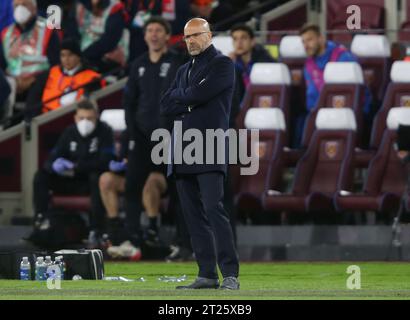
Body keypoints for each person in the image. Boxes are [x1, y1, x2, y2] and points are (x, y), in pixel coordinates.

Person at [161, 18, 239, 290]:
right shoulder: (183, 69)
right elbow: (165, 105)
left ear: (209, 35)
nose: (190, 41)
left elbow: (199, 93)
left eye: (195, 35)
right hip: (182, 148)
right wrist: (190, 100)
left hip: (209, 146)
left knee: (213, 208)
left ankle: (230, 274)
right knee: (192, 215)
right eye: (186, 37)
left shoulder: (223, 64)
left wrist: (186, 99)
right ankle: (206, 274)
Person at [105, 16, 185, 260]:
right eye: (149, 30)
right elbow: (129, 101)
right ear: (145, 35)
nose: (153, 34)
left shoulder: (178, 62)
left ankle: (184, 243)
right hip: (141, 138)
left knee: (180, 189)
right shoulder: (138, 64)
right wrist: (131, 132)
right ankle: (133, 239)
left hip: (171, 137)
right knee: (131, 186)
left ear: (166, 35)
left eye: (158, 30)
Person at [31, 99, 115, 244]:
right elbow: (52, 158)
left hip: (90, 181)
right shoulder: (70, 131)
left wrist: (76, 166)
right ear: (76, 118)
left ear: (97, 117)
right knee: (41, 175)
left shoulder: (105, 131)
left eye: (89, 118)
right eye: (82, 118)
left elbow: (105, 162)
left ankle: (96, 229)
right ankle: (41, 218)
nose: (85, 122)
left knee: (97, 177)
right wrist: (54, 165)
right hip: (70, 179)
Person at [298, 23, 372, 146]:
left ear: (321, 39)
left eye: (309, 40)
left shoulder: (343, 57)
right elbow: (311, 97)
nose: (306, 45)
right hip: (322, 114)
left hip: (349, 113)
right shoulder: (308, 65)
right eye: (303, 42)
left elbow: (357, 95)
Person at [25, 38, 106, 120]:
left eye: (70, 55)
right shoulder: (51, 72)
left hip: (72, 119)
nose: (66, 59)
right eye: (63, 55)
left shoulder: (92, 78)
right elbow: (33, 99)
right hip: (44, 119)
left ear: (78, 56)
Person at [0, 0, 60, 98]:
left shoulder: (48, 29)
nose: (20, 9)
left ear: (34, 8)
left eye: (24, 5)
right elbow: (2, 65)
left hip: (40, 83)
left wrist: (34, 79)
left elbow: (56, 64)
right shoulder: (6, 34)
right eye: (16, 6)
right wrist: (14, 80)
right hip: (13, 85)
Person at [68, 0, 129, 73]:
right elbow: (72, 34)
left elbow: (109, 42)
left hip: (109, 58)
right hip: (82, 55)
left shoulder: (115, 8)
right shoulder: (79, 5)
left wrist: (82, 56)